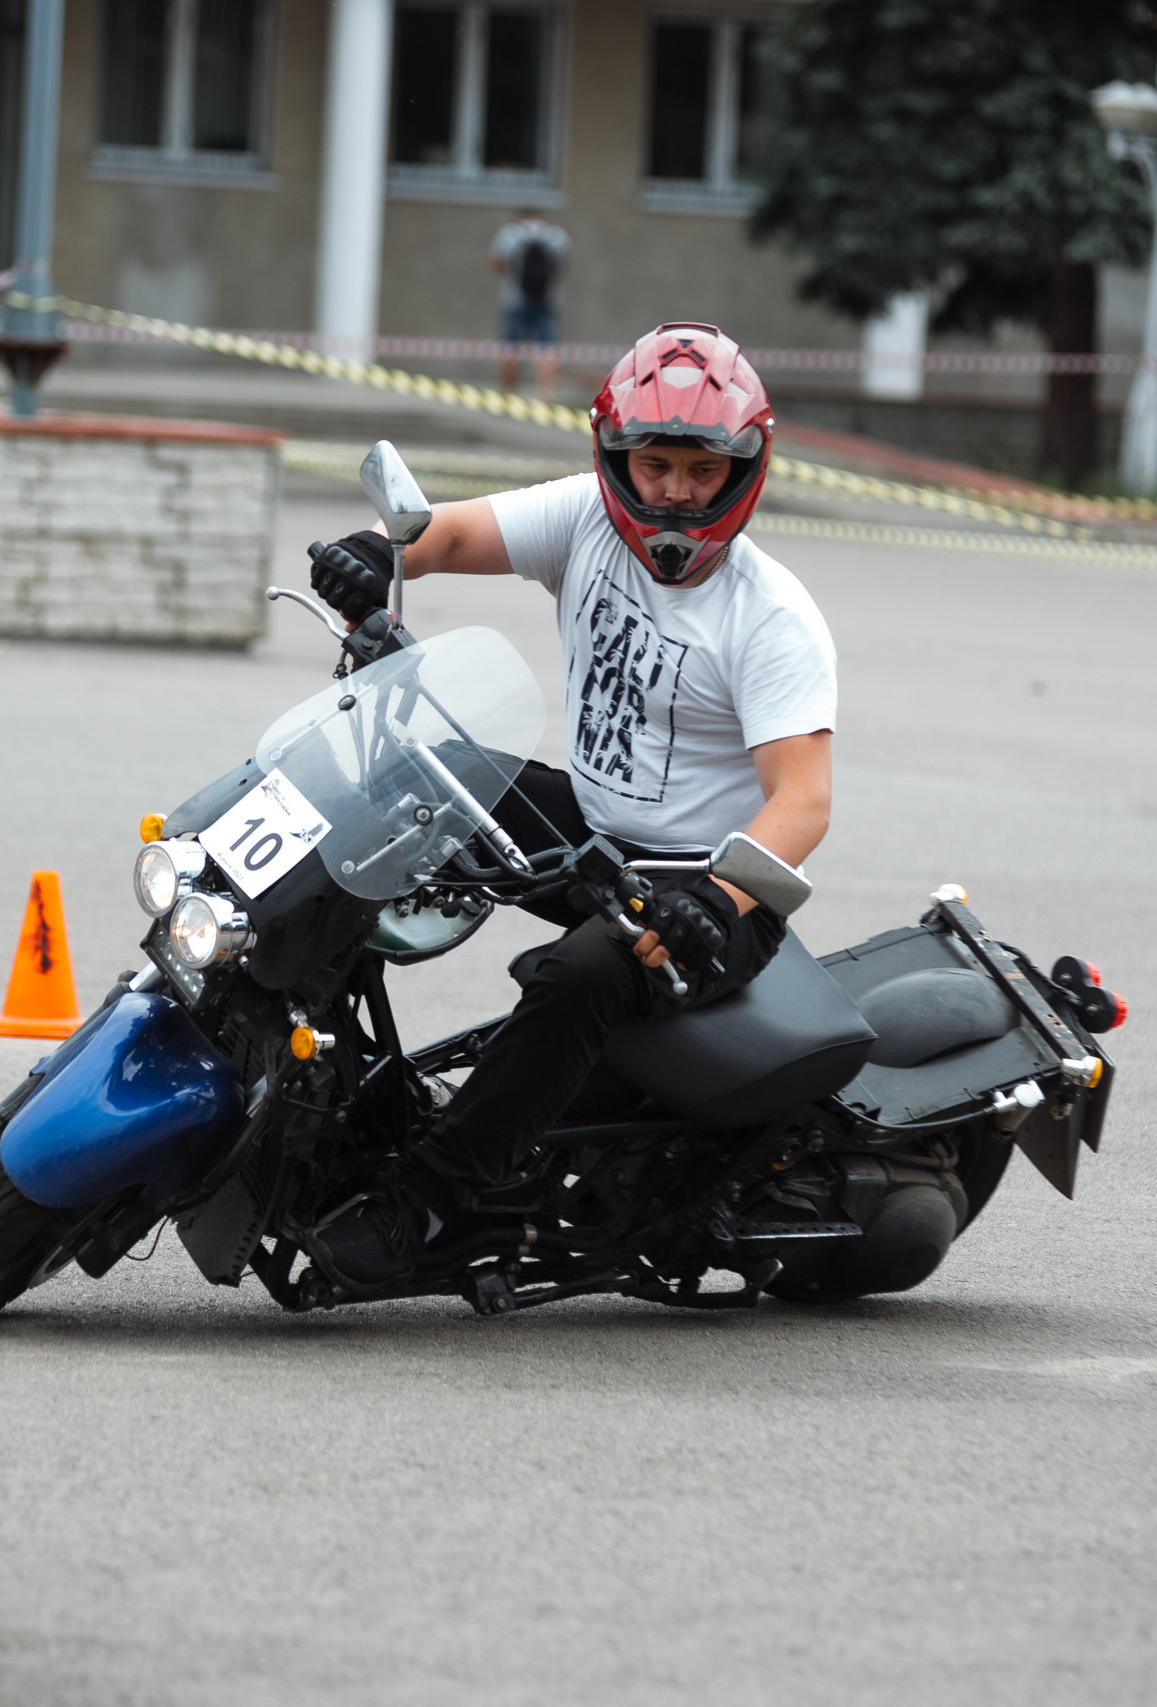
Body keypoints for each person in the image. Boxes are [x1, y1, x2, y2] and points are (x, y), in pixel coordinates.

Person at [301, 322, 837, 1294]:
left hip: (703, 891)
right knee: (403, 782)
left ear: (744, 467)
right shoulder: (588, 519)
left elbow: (800, 801)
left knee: (580, 973)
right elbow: (445, 534)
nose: (674, 489)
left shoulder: (771, 619)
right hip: (592, 829)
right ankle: (293, 1061)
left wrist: (717, 902)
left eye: (701, 469)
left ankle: (427, 1201)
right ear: (616, 456)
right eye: (655, 462)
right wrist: (373, 558)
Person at [488, 210, 570, 396]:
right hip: (548, 300)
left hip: (514, 300)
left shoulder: (509, 234)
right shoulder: (556, 236)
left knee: (510, 348)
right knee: (547, 350)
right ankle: (546, 395)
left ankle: (507, 394)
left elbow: (495, 264)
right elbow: (562, 269)